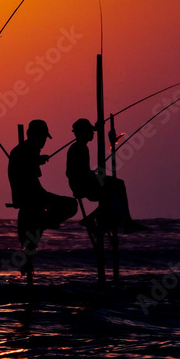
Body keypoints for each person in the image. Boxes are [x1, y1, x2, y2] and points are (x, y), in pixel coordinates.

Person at [66, 118, 146, 283]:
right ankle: (125, 220)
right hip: (83, 186)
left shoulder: (79, 147)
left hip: (83, 183)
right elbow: (79, 173)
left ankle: (94, 219)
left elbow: (82, 172)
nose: (92, 134)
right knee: (117, 185)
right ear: (82, 133)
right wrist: (96, 176)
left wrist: (96, 175)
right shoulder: (79, 148)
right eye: (90, 132)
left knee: (111, 189)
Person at [8, 120, 78, 277]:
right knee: (71, 204)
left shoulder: (24, 150)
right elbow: (25, 170)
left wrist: (37, 160)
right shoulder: (28, 150)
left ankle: (44, 225)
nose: (44, 141)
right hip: (32, 196)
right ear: (34, 135)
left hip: (30, 196)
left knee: (32, 232)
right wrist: (36, 160)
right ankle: (48, 222)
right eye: (43, 137)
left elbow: (29, 168)